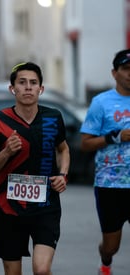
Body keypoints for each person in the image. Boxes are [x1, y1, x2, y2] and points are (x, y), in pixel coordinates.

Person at [0, 62, 69, 275]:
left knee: (41, 270)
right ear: (13, 89)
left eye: (33, 83)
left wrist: (63, 175)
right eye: (22, 83)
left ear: (41, 89)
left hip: (46, 205)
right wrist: (6, 152)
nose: (28, 87)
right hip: (9, 207)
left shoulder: (53, 117)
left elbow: (63, 149)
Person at [80, 49, 130, 275]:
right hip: (111, 184)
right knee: (112, 245)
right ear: (115, 73)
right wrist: (114, 136)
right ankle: (105, 263)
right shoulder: (101, 103)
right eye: (126, 69)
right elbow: (86, 143)